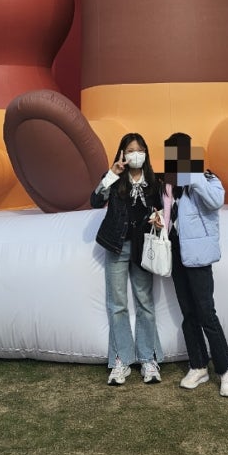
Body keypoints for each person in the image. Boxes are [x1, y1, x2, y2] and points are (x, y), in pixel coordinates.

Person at [160, 132, 228, 398]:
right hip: (176, 255)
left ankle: (226, 370)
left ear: (191, 155)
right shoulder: (168, 186)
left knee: (206, 313)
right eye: (172, 155)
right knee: (189, 314)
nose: (176, 160)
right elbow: (168, 217)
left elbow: (216, 201)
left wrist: (191, 174)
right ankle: (198, 365)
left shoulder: (206, 178)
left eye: (181, 154)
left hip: (198, 257)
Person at [91, 133, 164, 385]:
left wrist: (158, 218)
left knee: (145, 303)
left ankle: (148, 358)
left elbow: (160, 210)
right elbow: (95, 201)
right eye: (130, 150)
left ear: (146, 153)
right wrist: (112, 173)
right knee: (117, 304)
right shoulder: (114, 178)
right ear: (122, 153)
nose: (135, 154)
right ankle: (121, 359)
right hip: (116, 247)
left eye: (140, 150)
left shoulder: (154, 182)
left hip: (143, 249)